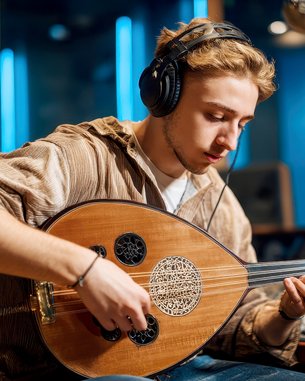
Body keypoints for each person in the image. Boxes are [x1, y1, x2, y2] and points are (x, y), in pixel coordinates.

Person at [1, 16, 305, 381]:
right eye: (216, 116)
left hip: (172, 368)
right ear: (163, 96)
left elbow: (235, 328)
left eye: (242, 123)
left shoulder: (221, 207)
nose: (231, 142)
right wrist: (85, 269)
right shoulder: (81, 159)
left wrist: (286, 313)